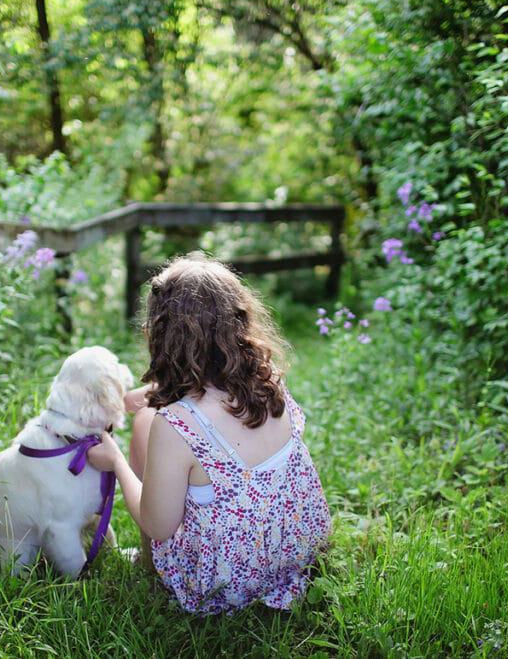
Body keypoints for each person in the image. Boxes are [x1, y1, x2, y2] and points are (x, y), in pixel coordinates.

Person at [87, 254, 331, 614]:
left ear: (163, 334)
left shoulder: (174, 425)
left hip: (223, 582)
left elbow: (159, 525)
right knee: (149, 416)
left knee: (144, 422)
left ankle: (149, 564)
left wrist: (117, 462)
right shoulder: (269, 381)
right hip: (294, 554)